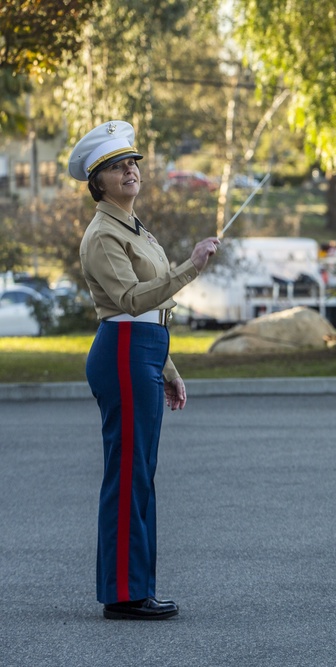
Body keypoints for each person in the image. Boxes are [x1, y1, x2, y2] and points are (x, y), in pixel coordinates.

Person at [70, 120, 221, 619]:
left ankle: (135, 586)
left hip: (145, 348)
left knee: (141, 473)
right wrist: (191, 266)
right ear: (99, 181)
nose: (130, 170)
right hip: (122, 351)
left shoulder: (134, 227)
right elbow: (130, 300)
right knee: (129, 473)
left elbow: (149, 311)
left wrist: (170, 368)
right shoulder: (101, 235)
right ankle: (123, 594)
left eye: (133, 162)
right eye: (118, 166)